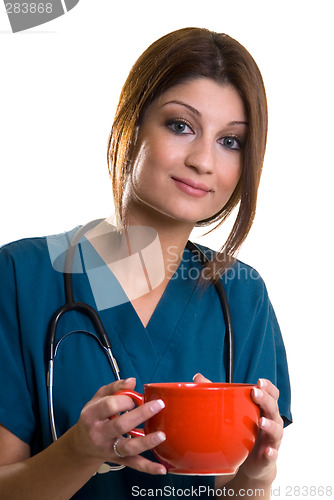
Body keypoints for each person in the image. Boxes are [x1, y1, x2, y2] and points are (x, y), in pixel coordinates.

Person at [0, 27, 292, 499]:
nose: (202, 161)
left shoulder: (241, 295)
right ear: (131, 124)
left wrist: (257, 475)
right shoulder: (20, 277)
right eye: (181, 126)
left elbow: (234, 491)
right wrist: (79, 450)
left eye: (230, 142)